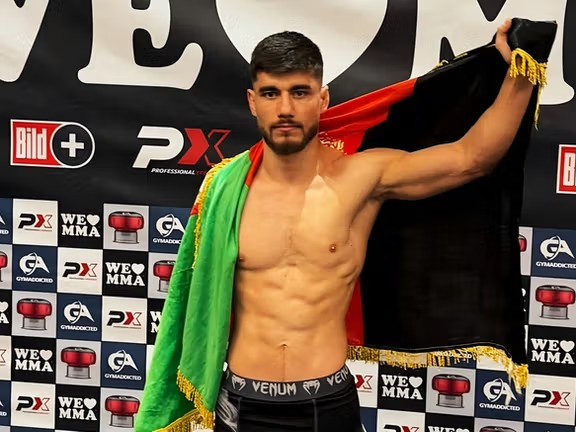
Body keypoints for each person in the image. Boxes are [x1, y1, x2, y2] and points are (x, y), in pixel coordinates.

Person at [213, 18, 534, 432]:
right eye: (271, 93)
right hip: (241, 403)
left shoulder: (361, 178)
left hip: (326, 403)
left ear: (323, 99)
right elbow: (195, 300)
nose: (285, 108)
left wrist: (522, 73)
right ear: (252, 101)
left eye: (300, 92)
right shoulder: (224, 189)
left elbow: (471, 158)